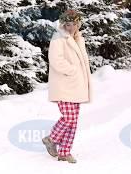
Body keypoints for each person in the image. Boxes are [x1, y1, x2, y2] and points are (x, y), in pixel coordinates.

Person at [42, 9, 93, 164]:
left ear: (78, 24)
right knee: (69, 118)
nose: (71, 27)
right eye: (68, 24)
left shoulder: (78, 38)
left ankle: (64, 152)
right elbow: (56, 60)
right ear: (63, 24)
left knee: (73, 121)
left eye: (75, 24)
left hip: (76, 86)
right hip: (65, 85)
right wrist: (73, 70)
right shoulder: (59, 38)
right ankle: (51, 139)